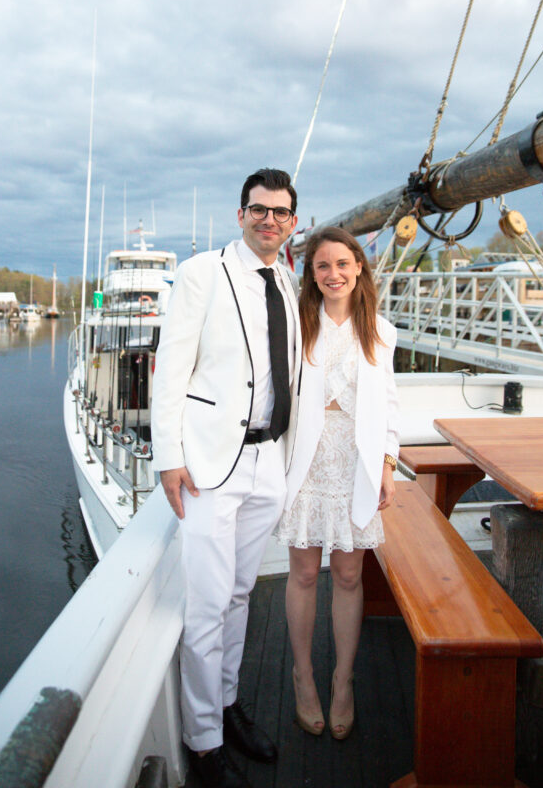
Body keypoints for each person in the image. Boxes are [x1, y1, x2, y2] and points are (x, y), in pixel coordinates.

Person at [152, 168, 300, 788]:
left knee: (241, 593)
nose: (269, 220)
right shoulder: (201, 274)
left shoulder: (289, 281)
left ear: (293, 220)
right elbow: (172, 367)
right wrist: (168, 456)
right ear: (239, 214)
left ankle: (229, 702)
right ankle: (205, 741)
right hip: (213, 465)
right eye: (259, 210)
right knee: (209, 603)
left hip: (271, 461)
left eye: (281, 212)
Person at [276, 226, 399, 741]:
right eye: (322, 266)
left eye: (342, 264)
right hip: (306, 462)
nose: (333, 274)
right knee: (304, 574)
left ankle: (341, 681)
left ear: (359, 269)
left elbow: (390, 402)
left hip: (356, 463)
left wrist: (388, 462)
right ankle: (303, 677)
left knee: (349, 576)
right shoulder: (297, 326)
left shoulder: (382, 331)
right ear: (312, 274)